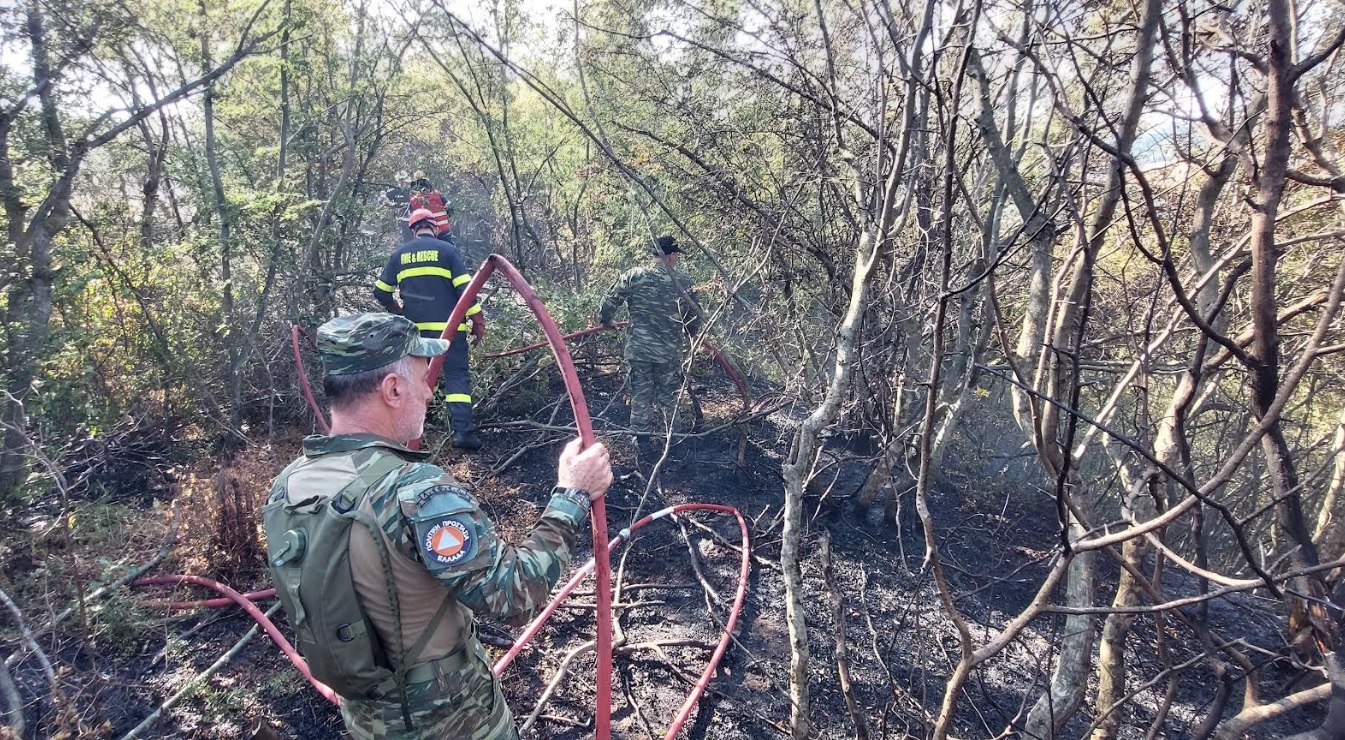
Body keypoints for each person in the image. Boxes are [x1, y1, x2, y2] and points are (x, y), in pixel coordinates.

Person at [265, 312, 612, 739]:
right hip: (453, 723)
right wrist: (572, 496)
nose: (429, 392)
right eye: (420, 378)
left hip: (366, 721)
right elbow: (512, 596)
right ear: (393, 389)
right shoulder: (413, 490)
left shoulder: (288, 485)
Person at [373, 209, 486, 449]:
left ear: (413, 230)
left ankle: (412, 435)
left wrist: (398, 311)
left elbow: (381, 291)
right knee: (456, 377)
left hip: (415, 334)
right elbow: (466, 291)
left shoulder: (400, 255)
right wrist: (478, 321)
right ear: (435, 228)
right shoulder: (448, 251)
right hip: (450, 331)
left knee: (417, 379)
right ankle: (462, 433)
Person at [596, 235, 700, 457]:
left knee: (641, 395)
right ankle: (674, 440)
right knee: (668, 396)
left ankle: (642, 442)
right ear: (670, 256)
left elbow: (610, 300)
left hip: (639, 349)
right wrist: (691, 333)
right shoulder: (684, 282)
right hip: (668, 352)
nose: (677, 259)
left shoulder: (635, 276)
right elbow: (693, 317)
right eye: (676, 255)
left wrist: (606, 321)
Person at [408, 171, 453, 241]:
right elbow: (450, 207)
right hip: (443, 229)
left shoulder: (414, 200)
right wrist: (447, 217)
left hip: (427, 231)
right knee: (447, 246)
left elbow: (411, 217)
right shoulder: (438, 195)